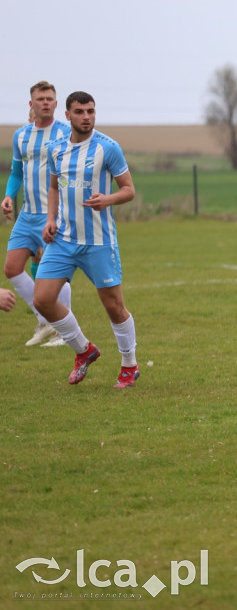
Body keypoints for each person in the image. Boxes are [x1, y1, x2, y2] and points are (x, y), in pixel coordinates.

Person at [32, 91, 140, 388]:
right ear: (67, 115)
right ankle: (84, 350)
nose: (86, 117)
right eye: (79, 111)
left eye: (91, 111)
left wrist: (108, 199)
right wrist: (50, 219)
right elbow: (54, 188)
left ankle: (129, 365)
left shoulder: (108, 148)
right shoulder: (56, 149)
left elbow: (129, 189)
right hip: (63, 240)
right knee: (42, 299)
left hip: (99, 242)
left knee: (114, 306)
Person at [3, 81, 73, 347]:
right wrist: (10, 195)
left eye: (50, 98)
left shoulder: (67, 133)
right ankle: (46, 321)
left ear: (56, 104)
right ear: (31, 104)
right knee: (11, 269)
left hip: (53, 214)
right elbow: (17, 173)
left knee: (55, 273)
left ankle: (65, 331)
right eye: (40, 98)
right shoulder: (21, 135)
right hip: (27, 216)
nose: (45, 102)